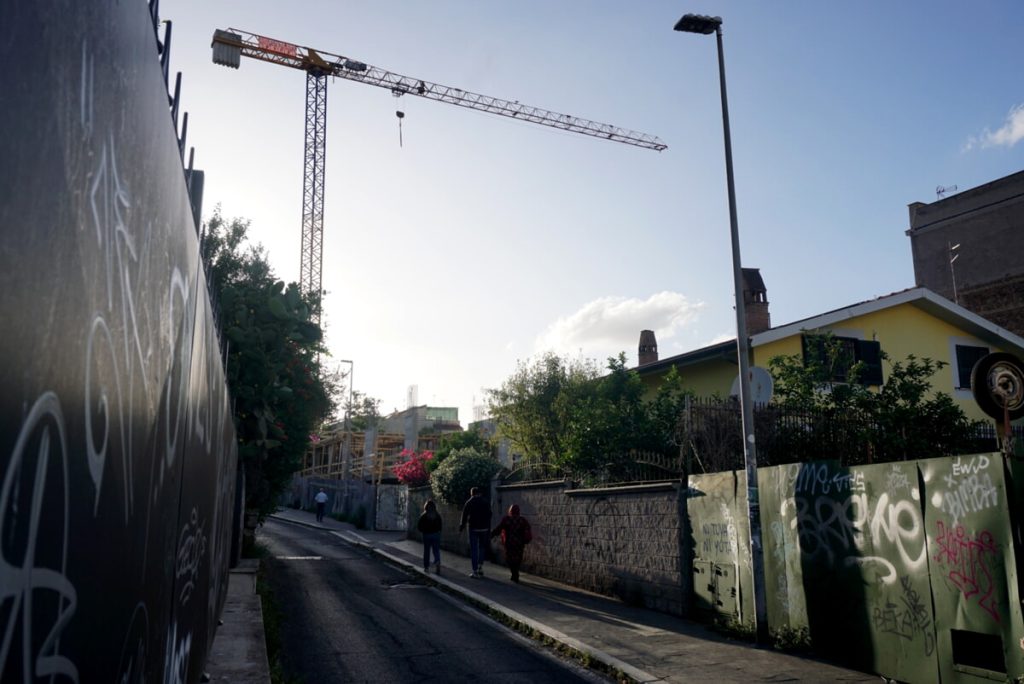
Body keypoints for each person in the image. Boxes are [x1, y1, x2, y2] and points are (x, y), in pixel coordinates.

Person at [491, 504, 532, 583]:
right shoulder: (522, 520)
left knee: (509, 558)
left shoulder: (507, 519)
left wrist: (491, 534)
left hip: (509, 543)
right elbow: (528, 528)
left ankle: (514, 573)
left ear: (510, 511)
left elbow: (499, 528)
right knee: (518, 558)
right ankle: (516, 572)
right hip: (519, 543)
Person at [459, 487, 492, 578]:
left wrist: (461, 526)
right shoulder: (485, 502)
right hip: (484, 528)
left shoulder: (469, 502)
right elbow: (490, 514)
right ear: (479, 493)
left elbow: (464, 515)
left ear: (472, 493)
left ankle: (475, 570)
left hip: (473, 528)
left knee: (474, 549)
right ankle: (480, 566)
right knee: (481, 547)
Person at [417, 499, 443, 574]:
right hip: (435, 535)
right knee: (436, 550)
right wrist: (438, 532)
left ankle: (426, 567)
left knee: (426, 551)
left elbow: (419, 526)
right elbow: (440, 525)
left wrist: (423, 531)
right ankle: (437, 562)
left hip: (426, 535)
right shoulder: (437, 515)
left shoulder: (424, 515)